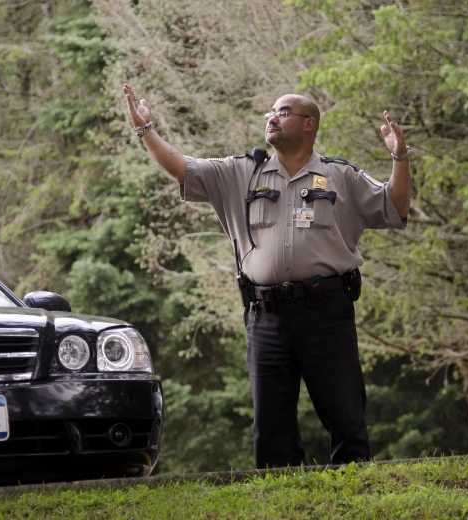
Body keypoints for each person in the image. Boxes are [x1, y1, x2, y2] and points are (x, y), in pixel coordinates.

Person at [122, 83, 410, 467]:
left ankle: (354, 487)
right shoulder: (241, 172)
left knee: (345, 411)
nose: (273, 117)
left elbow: (395, 207)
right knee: (271, 420)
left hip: (326, 311)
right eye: (270, 113)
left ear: (309, 124)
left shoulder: (341, 176)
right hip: (266, 315)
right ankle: (279, 495)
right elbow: (181, 167)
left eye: (284, 112)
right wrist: (146, 130)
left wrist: (400, 157)